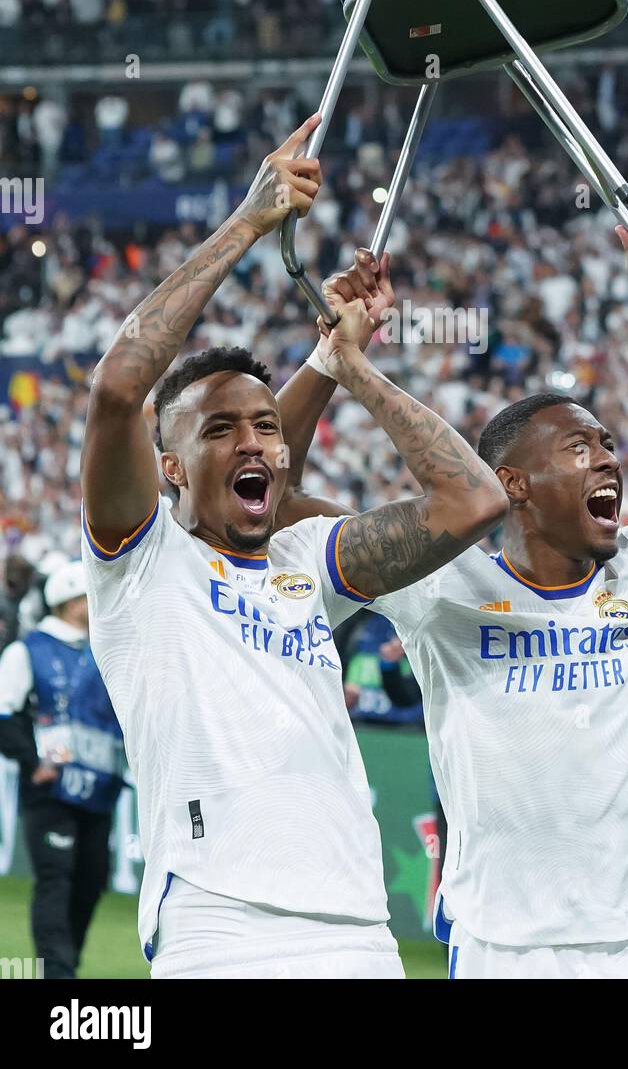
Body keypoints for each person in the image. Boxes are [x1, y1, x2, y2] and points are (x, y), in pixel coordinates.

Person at [288, 212, 628, 978]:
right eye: (580, 448)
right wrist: (331, 359)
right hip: (505, 952)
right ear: (514, 486)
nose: (608, 461)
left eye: (607, 444)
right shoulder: (438, 581)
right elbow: (278, 499)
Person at [79, 115, 507, 980]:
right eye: (219, 430)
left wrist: (344, 362)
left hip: (355, 927)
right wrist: (250, 222)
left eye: (267, 431)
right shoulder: (139, 558)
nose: (254, 444)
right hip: (217, 927)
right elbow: (121, 385)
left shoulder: (304, 559)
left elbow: (473, 502)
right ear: (169, 465)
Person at [0, 560, 125, 979]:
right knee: (56, 879)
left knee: (90, 884)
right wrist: (32, 763)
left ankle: (64, 966)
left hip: (100, 789)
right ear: (69, 601)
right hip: (51, 790)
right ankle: (56, 973)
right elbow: (5, 712)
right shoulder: (28, 649)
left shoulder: (107, 651)